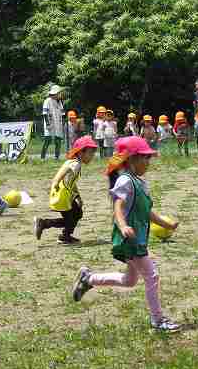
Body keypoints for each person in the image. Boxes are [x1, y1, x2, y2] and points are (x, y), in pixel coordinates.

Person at [71, 136, 181, 333]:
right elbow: (118, 206)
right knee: (152, 276)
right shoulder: (125, 181)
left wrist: (167, 224)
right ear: (131, 159)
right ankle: (158, 320)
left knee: (129, 280)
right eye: (145, 157)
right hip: (129, 240)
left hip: (137, 239)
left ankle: (89, 279)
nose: (148, 162)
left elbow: (146, 212)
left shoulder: (140, 183)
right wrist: (122, 226)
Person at [34, 136, 97, 244]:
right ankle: (44, 224)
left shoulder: (76, 162)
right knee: (69, 220)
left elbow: (72, 182)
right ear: (81, 152)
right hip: (62, 194)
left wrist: (77, 197)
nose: (92, 156)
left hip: (67, 195)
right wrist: (56, 181)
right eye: (90, 153)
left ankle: (65, 236)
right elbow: (63, 172)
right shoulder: (75, 163)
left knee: (77, 213)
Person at [41, 84, 65, 160]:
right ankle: (42, 157)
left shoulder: (59, 102)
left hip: (58, 123)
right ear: (55, 93)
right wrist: (47, 124)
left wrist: (62, 123)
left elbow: (63, 113)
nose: (60, 94)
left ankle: (56, 157)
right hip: (50, 123)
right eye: (59, 93)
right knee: (47, 140)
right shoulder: (47, 101)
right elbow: (44, 113)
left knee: (58, 140)